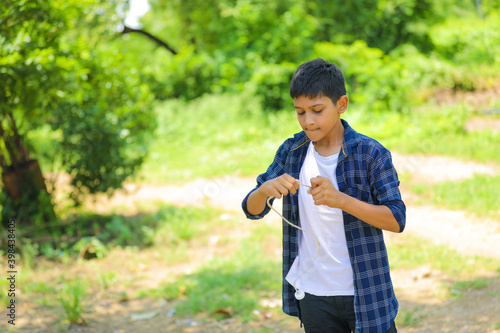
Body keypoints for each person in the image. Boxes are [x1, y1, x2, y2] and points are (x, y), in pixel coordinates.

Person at [242, 58, 405, 333]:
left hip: (366, 291)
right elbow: (251, 208)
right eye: (300, 112)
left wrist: (341, 200)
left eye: (317, 110)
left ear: (341, 104)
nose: (308, 121)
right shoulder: (292, 151)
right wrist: (264, 190)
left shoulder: (370, 153)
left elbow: (397, 220)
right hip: (312, 293)